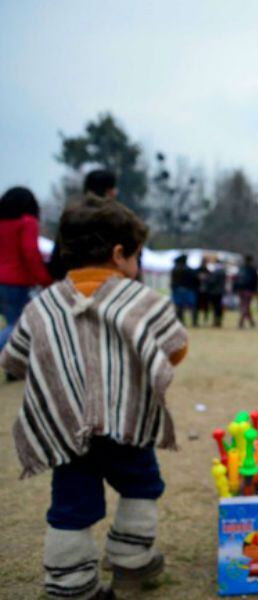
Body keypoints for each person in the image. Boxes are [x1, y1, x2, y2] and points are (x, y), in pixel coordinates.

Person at [0, 197, 188, 599]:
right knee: (142, 486)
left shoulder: (43, 306)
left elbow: (15, 359)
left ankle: (70, 584)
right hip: (128, 423)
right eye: (136, 256)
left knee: (70, 506)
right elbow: (175, 349)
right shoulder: (144, 302)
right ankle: (131, 559)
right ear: (120, 254)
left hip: (65, 426)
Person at [0, 187, 53, 357]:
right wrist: (45, 279)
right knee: (18, 326)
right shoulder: (27, 222)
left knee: (13, 323)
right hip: (16, 281)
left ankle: (15, 366)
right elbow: (30, 253)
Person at [48, 169, 119, 281]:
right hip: (104, 280)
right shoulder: (115, 219)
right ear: (109, 191)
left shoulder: (72, 215)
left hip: (70, 279)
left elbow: (58, 254)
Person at [170, 254, 200, 326]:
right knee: (192, 306)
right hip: (189, 290)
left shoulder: (175, 270)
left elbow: (173, 282)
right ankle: (194, 322)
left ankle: (181, 322)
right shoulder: (190, 270)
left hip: (178, 290)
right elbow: (196, 280)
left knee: (179, 307)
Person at [234, 255, 258, 329]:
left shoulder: (241, 268)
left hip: (240, 290)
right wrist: (255, 290)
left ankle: (251, 322)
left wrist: (236, 288)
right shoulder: (253, 269)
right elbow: (256, 281)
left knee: (244, 305)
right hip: (249, 290)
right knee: (246, 306)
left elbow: (236, 279)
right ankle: (241, 322)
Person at [206, 261, 226, 328]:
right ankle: (218, 320)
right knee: (219, 307)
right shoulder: (223, 272)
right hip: (220, 292)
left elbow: (212, 281)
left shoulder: (215, 272)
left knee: (215, 307)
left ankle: (216, 321)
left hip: (214, 292)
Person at [196, 257, 211, 325]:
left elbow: (211, 281)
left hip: (206, 292)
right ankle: (196, 321)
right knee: (197, 307)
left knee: (206, 307)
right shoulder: (197, 271)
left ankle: (205, 320)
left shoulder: (208, 271)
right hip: (198, 291)